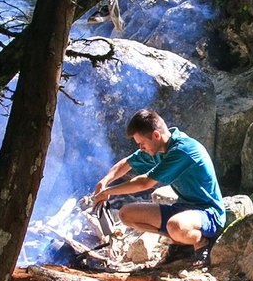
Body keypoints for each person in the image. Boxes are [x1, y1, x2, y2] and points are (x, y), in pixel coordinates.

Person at [89, 108, 224, 263]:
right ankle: (180, 241)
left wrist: (109, 192)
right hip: (183, 208)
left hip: (208, 213)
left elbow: (144, 183)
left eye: (142, 143)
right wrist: (103, 182)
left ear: (156, 135)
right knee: (126, 214)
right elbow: (127, 163)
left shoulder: (182, 150)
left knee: (175, 225)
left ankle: (201, 242)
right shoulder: (159, 148)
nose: (141, 148)